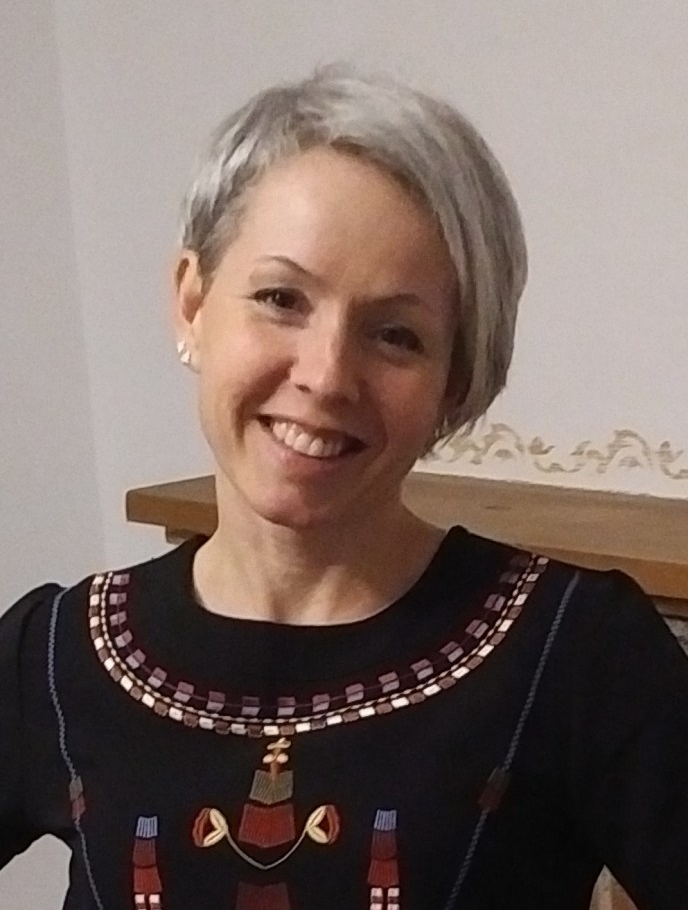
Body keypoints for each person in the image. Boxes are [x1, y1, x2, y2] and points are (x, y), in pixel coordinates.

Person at [1, 67, 687, 910]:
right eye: (281, 298)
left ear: (455, 381)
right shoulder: (56, 655)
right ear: (192, 303)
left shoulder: (580, 653)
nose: (326, 375)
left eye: (396, 334)